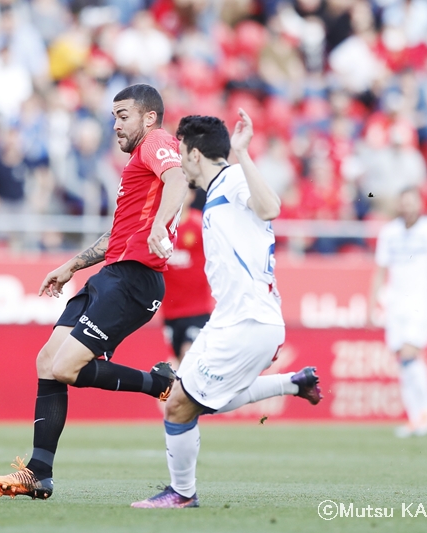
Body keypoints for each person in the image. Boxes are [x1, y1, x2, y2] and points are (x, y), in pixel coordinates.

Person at [0, 84, 190, 499]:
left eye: (123, 116)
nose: (116, 125)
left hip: (134, 279)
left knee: (66, 367)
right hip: (111, 274)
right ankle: (38, 473)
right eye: (114, 117)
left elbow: (178, 178)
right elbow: (117, 234)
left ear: (149, 117)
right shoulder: (138, 162)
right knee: (48, 361)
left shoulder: (156, 143)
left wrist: (158, 225)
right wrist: (72, 266)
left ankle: (159, 383)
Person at [131, 111, 322, 509]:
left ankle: (182, 494)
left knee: (180, 404)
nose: (178, 160)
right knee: (186, 398)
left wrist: (242, 154)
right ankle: (293, 383)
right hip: (232, 318)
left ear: (194, 154)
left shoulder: (232, 178)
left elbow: (270, 207)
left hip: (248, 320)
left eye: (181, 151)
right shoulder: (218, 192)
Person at [368, 187, 427, 438]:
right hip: (396, 303)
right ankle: (416, 417)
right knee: (403, 360)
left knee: (409, 353)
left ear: (420, 204)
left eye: (412, 202)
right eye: (404, 202)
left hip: (422, 302)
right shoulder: (389, 232)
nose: (408, 207)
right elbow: (380, 270)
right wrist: (372, 304)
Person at [161, 188, 213, 366]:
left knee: (188, 356)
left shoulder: (200, 225)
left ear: (192, 196)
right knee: (178, 362)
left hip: (197, 310)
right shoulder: (160, 227)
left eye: (186, 191)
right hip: (170, 311)